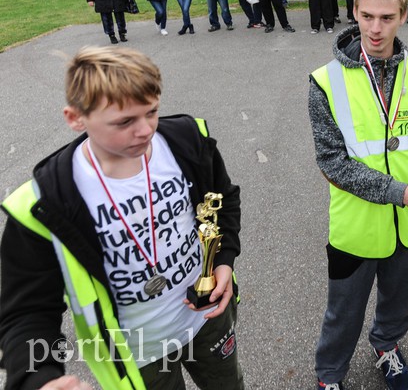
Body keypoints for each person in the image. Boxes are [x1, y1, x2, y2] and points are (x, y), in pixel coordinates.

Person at [0, 47, 244, 390]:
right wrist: (36, 378)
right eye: (124, 121)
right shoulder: (45, 203)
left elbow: (224, 199)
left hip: (207, 319)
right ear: (75, 118)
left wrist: (224, 260)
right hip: (137, 354)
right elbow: (26, 312)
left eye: (152, 111)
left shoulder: (186, 141)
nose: (145, 130)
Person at [308, 0, 408, 390]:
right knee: (343, 312)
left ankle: (386, 344)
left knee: (402, 302)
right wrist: (400, 193)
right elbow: (332, 162)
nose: (376, 28)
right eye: (367, 16)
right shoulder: (324, 81)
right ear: (354, 11)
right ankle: (330, 376)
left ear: (404, 15)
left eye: (387, 17)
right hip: (356, 227)